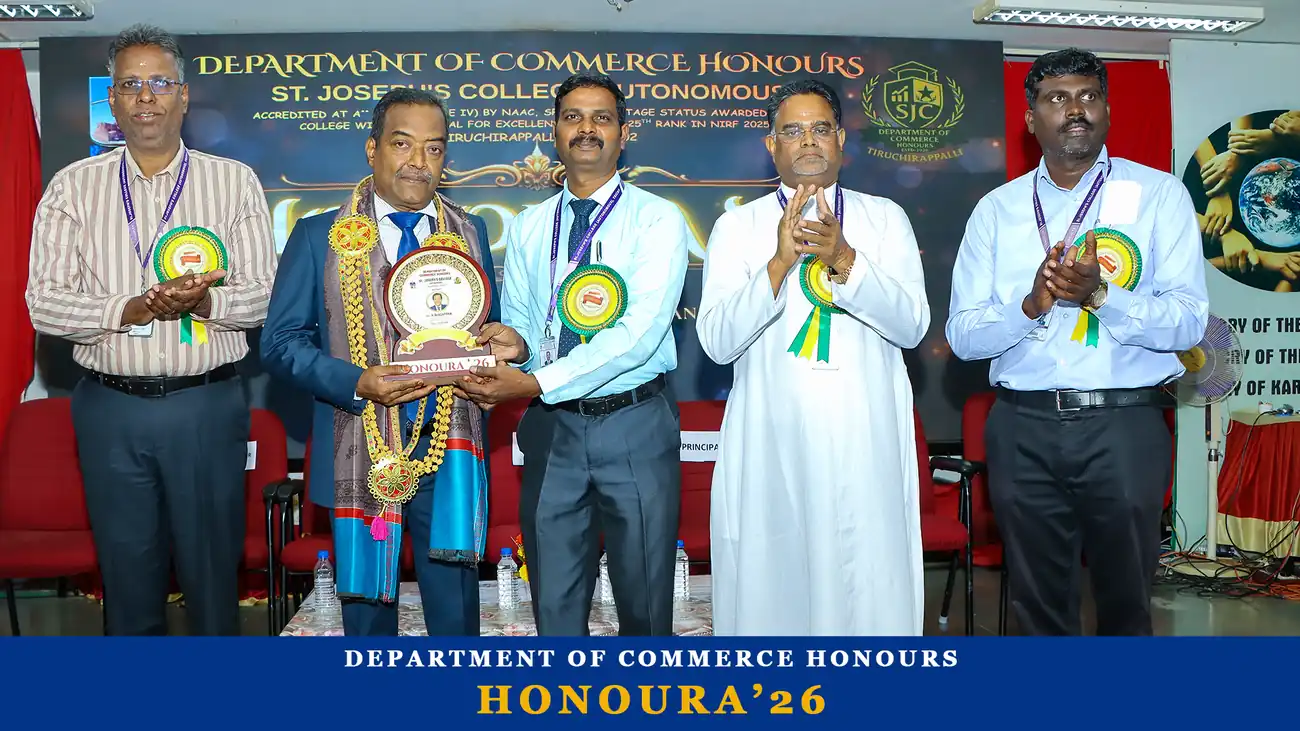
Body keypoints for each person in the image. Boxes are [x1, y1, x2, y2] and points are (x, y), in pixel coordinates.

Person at [25, 24, 277, 636]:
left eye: (160, 83)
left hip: (206, 405)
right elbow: (44, 304)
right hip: (110, 409)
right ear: (111, 100)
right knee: (127, 578)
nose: (145, 97)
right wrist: (127, 310)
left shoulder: (233, 182)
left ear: (183, 96)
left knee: (212, 579)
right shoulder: (73, 187)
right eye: (130, 85)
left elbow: (266, 296)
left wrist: (205, 303)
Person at [947, 48, 1209, 636]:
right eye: (1057, 98)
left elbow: (1189, 323)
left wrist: (1102, 296)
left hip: (1124, 425)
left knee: (1126, 605)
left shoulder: (1160, 195)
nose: (1075, 110)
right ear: (1030, 118)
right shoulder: (996, 211)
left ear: (1107, 111)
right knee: (1036, 607)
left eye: (1089, 96)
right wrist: (1030, 308)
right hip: (1023, 428)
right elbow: (962, 336)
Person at [457, 72, 689, 636]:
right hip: (552, 429)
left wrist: (537, 381)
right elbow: (525, 326)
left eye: (601, 118)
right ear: (555, 132)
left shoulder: (657, 219)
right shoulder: (531, 225)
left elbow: (639, 333)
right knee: (554, 606)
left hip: (634, 422)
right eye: (573, 117)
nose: (587, 129)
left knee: (645, 605)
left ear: (623, 134)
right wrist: (513, 348)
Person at [260, 88, 498, 636]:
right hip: (360, 451)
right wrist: (357, 382)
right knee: (367, 625)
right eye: (402, 144)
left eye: (434, 148)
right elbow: (279, 343)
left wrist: (506, 343)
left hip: (449, 448)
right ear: (373, 149)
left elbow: (488, 330)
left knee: (457, 623)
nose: (419, 162)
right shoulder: (320, 235)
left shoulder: (470, 232)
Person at [696, 79, 930, 636]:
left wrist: (845, 257)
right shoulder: (738, 227)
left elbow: (913, 326)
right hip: (770, 439)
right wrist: (778, 264)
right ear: (771, 145)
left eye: (821, 128)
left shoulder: (885, 218)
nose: (808, 141)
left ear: (841, 140)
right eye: (793, 131)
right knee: (774, 580)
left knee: (866, 578)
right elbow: (717, 342)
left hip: (863, 437)